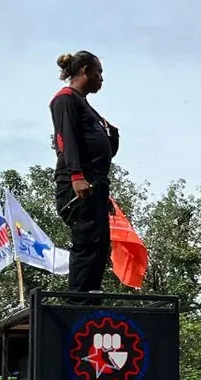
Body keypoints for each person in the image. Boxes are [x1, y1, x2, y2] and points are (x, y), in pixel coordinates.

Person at [50, 51, 119, 299]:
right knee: (87, 241)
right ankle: (77, 302)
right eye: (99, 72)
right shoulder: (65, 99)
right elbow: (66, 140)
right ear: (85, 71)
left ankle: (91, 297)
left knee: (100, 243)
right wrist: (76, 176)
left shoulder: (86, 105)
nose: (101, 78)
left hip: (96, 185)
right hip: (78, 183)